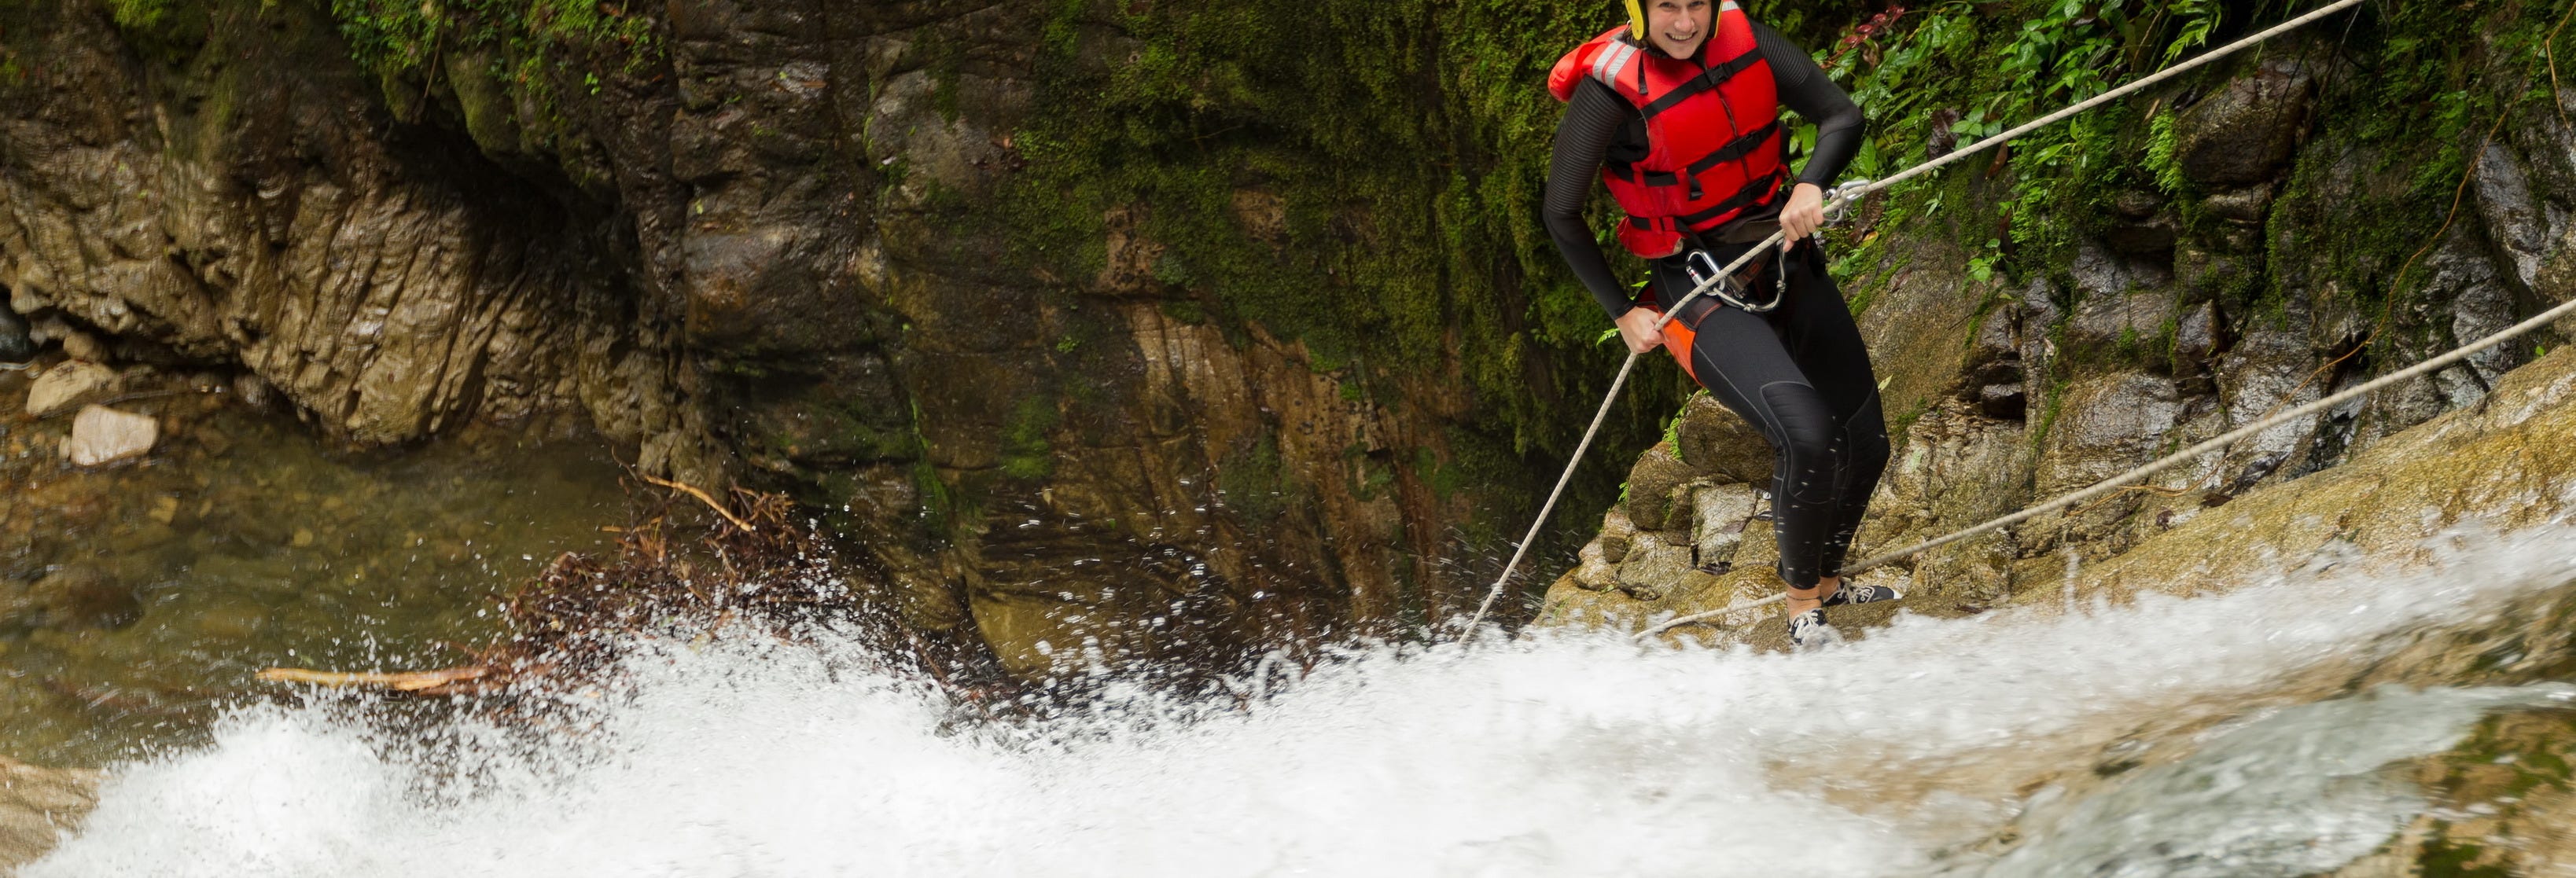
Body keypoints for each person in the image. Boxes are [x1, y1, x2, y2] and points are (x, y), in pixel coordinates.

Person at [1544, 0, 1897, 648]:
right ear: (1640, 10)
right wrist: (1623, 311)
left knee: (1866, 439)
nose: (1685, 23)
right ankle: (1802, 611)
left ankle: (1825, 581)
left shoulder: (1748, 39)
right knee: (1808, 433)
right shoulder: (1605, 95)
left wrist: (1810, 184)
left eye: (1697, 5)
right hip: (1694, 284)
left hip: (1780, 252)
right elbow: (1561, 211)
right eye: (1668, 8)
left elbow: (1842, 115)